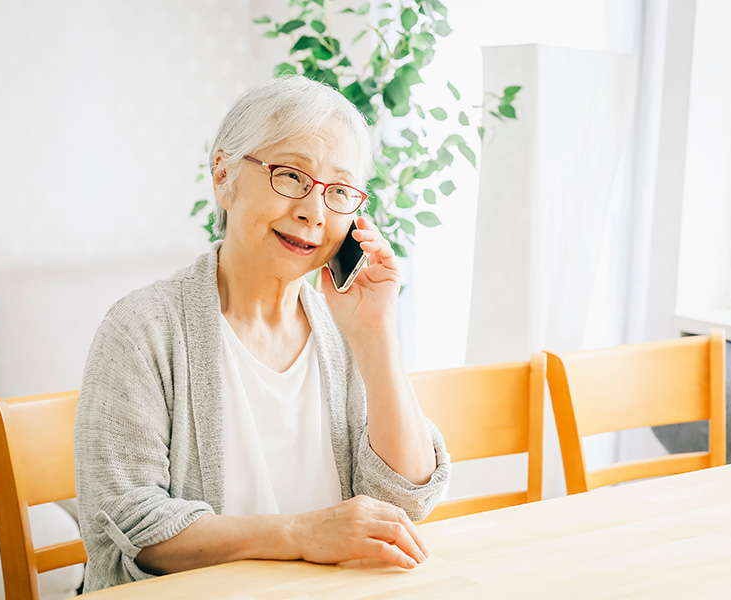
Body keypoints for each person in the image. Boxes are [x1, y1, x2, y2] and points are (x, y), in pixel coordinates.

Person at [74, 75, 451, 592]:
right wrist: (301, 534)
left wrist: (375, 332)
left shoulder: (346, 331)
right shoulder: (142, 330)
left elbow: (405, 502)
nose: (313, 212)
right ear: (223, 174)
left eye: (338, 191)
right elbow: (134, 525)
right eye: (291, 176)